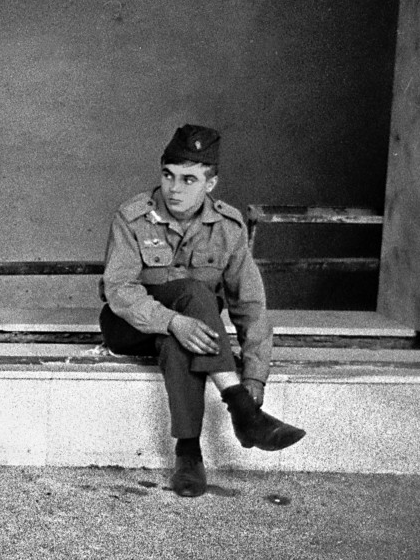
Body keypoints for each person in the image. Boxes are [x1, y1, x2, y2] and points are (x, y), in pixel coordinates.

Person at [99, 124, 305, 497]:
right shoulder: (133, 218)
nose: (174, 189)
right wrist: (172, 321)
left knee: (180, 336)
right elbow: (120, 290)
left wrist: (256, 376)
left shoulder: (228, 227)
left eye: (188, 179)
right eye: (168, 175)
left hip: (186, 335)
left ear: (210, 184)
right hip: (128, 326)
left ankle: (188, 455)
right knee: (194, 294)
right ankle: (242, 410)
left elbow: (250, 305)